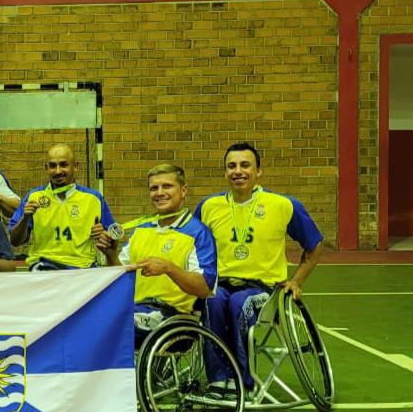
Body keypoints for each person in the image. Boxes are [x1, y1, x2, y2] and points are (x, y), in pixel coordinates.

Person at [195, 142, 324, 392]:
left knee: (239, 304)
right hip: (221, 284)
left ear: (258, 171)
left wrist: (296, 281)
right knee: (211, 301)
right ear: (225, 172)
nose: (238, 171)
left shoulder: (283, 205)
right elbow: (191, 244)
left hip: (264, 290)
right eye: (231, 166)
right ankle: (218, 379)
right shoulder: (209, 206)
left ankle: (243, 383)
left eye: (245, 165)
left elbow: (315, 244)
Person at [103, 164, 217, 345]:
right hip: (136, 309)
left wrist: (168, 268)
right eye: (154, 188)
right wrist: (111, 255)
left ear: (183, 190)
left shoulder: (198, 232)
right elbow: (119, 279)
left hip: (175, 318)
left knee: (110, 326)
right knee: (91, 321)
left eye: (167, 186)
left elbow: (204, 289)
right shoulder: (140, 230)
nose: (159, 193)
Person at [9, 144, 117, 270]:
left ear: (76, 166)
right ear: (46, 168)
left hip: (83, 267)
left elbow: (113, 236)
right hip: (44, 265)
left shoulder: (94, 198)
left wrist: (103, 234)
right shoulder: (34, 197)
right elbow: (15, 241)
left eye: (63, 165)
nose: (58, 171)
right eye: (52, 166)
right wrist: (25, 218)